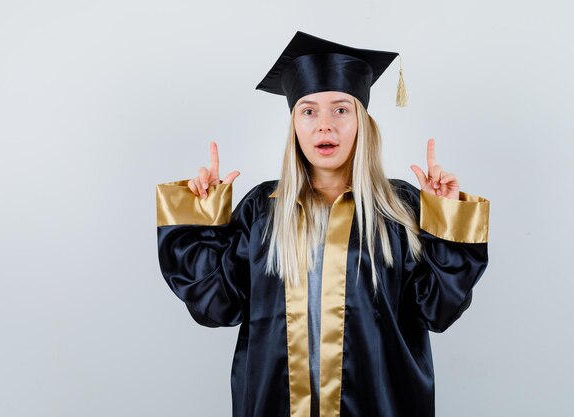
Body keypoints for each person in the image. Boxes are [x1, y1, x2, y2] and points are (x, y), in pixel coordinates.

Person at [155, 31, 490, 417]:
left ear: (362, 121)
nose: (324, 126)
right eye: (309, 110)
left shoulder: (400, 210)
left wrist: (444, 217)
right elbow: (217, 308)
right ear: (294, 123)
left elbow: (440, 310)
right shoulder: (262, 210)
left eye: (341, 109)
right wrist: (202, 218)